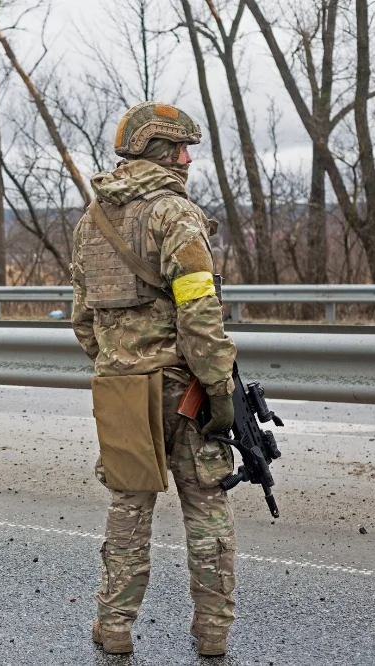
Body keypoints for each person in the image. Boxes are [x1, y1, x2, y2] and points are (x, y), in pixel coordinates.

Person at [70, 102, 238, 657]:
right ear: (160, 151)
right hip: (180, 388)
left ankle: (114, 626)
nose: (188, 159)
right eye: (182, 148)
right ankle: (212, 634)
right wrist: (217, 387)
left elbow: (82, 317)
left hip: (121, 386)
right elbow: (199, 310)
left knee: (128, 506)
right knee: (207, 504)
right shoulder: (175, 214)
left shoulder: (92, 220)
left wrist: (117, 360)